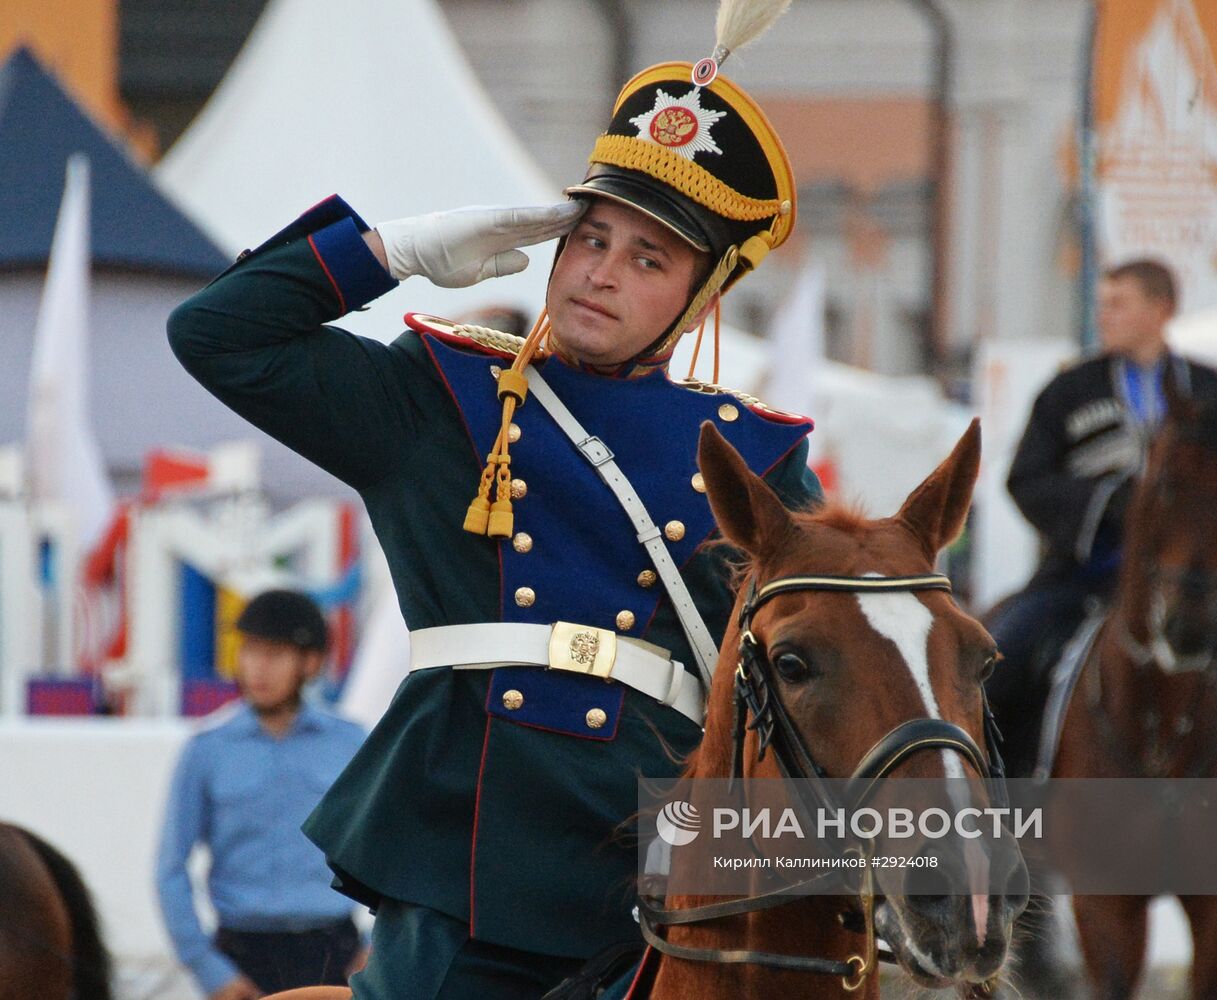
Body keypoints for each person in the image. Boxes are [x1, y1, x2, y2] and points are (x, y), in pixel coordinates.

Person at [166, 28, 821, 1000]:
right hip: (462, 860)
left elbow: (822, 681)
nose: (600, 272)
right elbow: (217, 335)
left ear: (702, 295)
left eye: (649, 258)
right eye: (589, 237)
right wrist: (396, 249)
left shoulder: (753, 459)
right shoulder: (443, 396)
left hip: (656, 871)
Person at [985, 258, 1217, 888]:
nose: (1105, 313)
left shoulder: (1216, 392)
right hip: (1082, 577)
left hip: (1188, 584)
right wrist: (1104, 505)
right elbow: (1024, 478)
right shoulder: (1069, 391)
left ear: (1162, 309)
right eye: (1104, 300)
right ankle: (1008, 825)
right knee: (1005, 653)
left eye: (1120, 302)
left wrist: (1204, 554)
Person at [156, 590, 368, 1000]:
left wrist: (378, 947)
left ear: (310, 662)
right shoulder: (206, 750)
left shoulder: (352, 744)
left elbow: (394, 850)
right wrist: (210, 970)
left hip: (334, 953)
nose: (257, 668)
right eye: (250, 651)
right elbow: (170, 868)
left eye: (275, 653)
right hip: (240, 959)